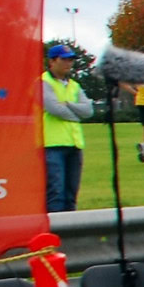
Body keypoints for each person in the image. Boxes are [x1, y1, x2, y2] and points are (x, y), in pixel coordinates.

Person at [40, 43, 93, 213]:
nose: (69, 63)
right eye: (64, 59)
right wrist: (75, 115)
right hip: (52, 143)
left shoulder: (74, 85)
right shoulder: (43, 82)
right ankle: (56, 233)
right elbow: (54, 109)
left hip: (74, 143)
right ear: (52, 61)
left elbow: (88, 111)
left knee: (71, 193)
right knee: (56, 192)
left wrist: (68, 104)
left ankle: (72, 231)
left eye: (71, 60)